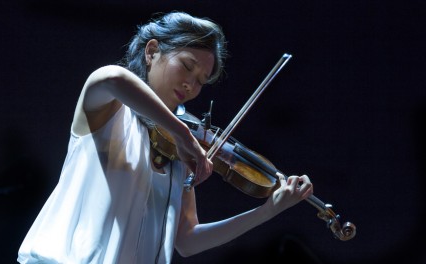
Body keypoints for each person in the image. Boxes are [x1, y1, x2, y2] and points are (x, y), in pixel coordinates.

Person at [17, 11, 313, 264]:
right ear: (152, 51)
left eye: (201, 80)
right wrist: (182, 133)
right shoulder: (108, 110)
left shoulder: (179, 153)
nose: (191, 84)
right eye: (186, 66)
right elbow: (111, 77)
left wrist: (266, 212)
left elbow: (187, 241)